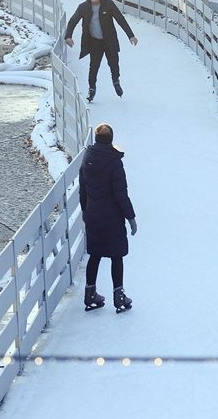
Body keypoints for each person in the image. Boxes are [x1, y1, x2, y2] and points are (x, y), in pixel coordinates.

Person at [80, 123, 137, 314]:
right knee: (116, 256)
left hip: (93, 214)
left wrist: (86, 212)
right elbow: (121, 194)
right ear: (111, 140)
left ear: (96, 139)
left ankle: (90, 294)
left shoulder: (87, 158)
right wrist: (131, 217)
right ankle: (119, 297)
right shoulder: (114, 162)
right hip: (112, 217)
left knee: (94, 255)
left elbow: (83, 190)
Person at [64, 0, 138, 102]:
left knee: (114, 63)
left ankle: (116, 81)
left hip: (109, 40)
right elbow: (73, 21)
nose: (94, 0)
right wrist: (68, 36)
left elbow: (120, 19)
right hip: (94, 41)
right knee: (93, 66)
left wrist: (131, 35)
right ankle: (92, 89)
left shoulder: (109, 5)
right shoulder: (83, 7)